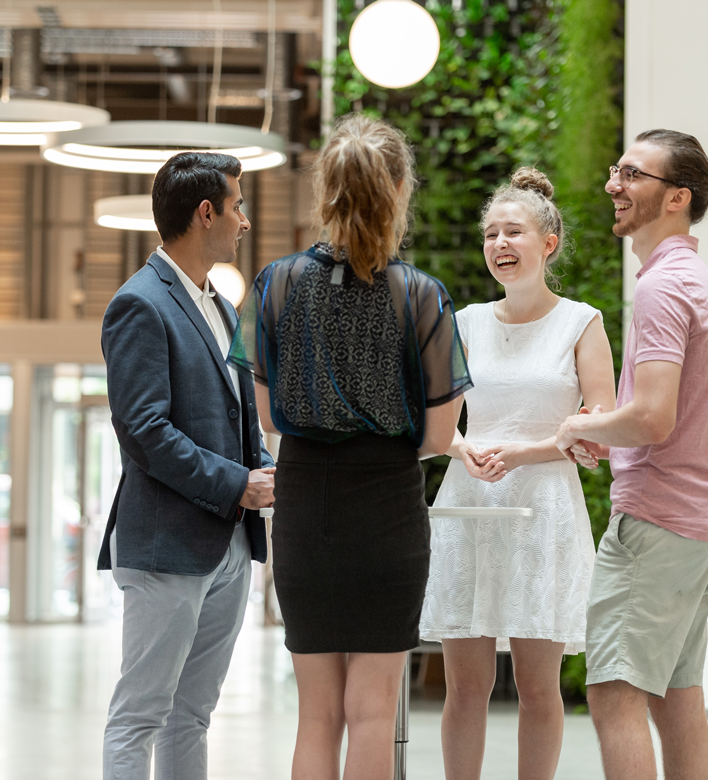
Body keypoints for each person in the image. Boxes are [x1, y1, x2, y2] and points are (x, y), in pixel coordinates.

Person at [227, 113, 471, 780]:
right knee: (372, 713)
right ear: (399, 189)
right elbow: (442, 434)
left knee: (317, 718)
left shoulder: (275, 286)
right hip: (389, 510)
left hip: (306, 510)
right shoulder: (421, 296)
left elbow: (269, 416)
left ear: (324, 190)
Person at [419, 168, 616, 780]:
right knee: (465, 687)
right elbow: (434, 422)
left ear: (548, 242)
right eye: (491, 235)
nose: (500, 244)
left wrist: (525, 453)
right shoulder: (468, 322)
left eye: (514, 232)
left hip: (543, 509)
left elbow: (602, 422)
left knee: (537, 686)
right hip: (471, 503)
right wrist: (460, 449)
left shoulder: (582, 322)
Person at [555, 130, 708, 780]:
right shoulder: (691, 277)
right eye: (617, 169)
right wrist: (609, 425)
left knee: (613, 691)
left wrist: (578, 431)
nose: (613, 185)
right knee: (677, 693)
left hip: (658, 523)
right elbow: (665, 414)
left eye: (632, 174)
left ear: (676, 197)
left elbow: (655, 418)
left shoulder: (663, 288)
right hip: (701, 524)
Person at [99, 152, 276, 780]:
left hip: (228, 541)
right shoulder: (140, 303)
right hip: (165, 545)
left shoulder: (220, 307)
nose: (246, 222)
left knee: (192, 715)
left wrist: (265, 471)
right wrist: (238, 484)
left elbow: (237, 416)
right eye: (238, 206)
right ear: (207, 213)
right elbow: (144, 432)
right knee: (140, 715)